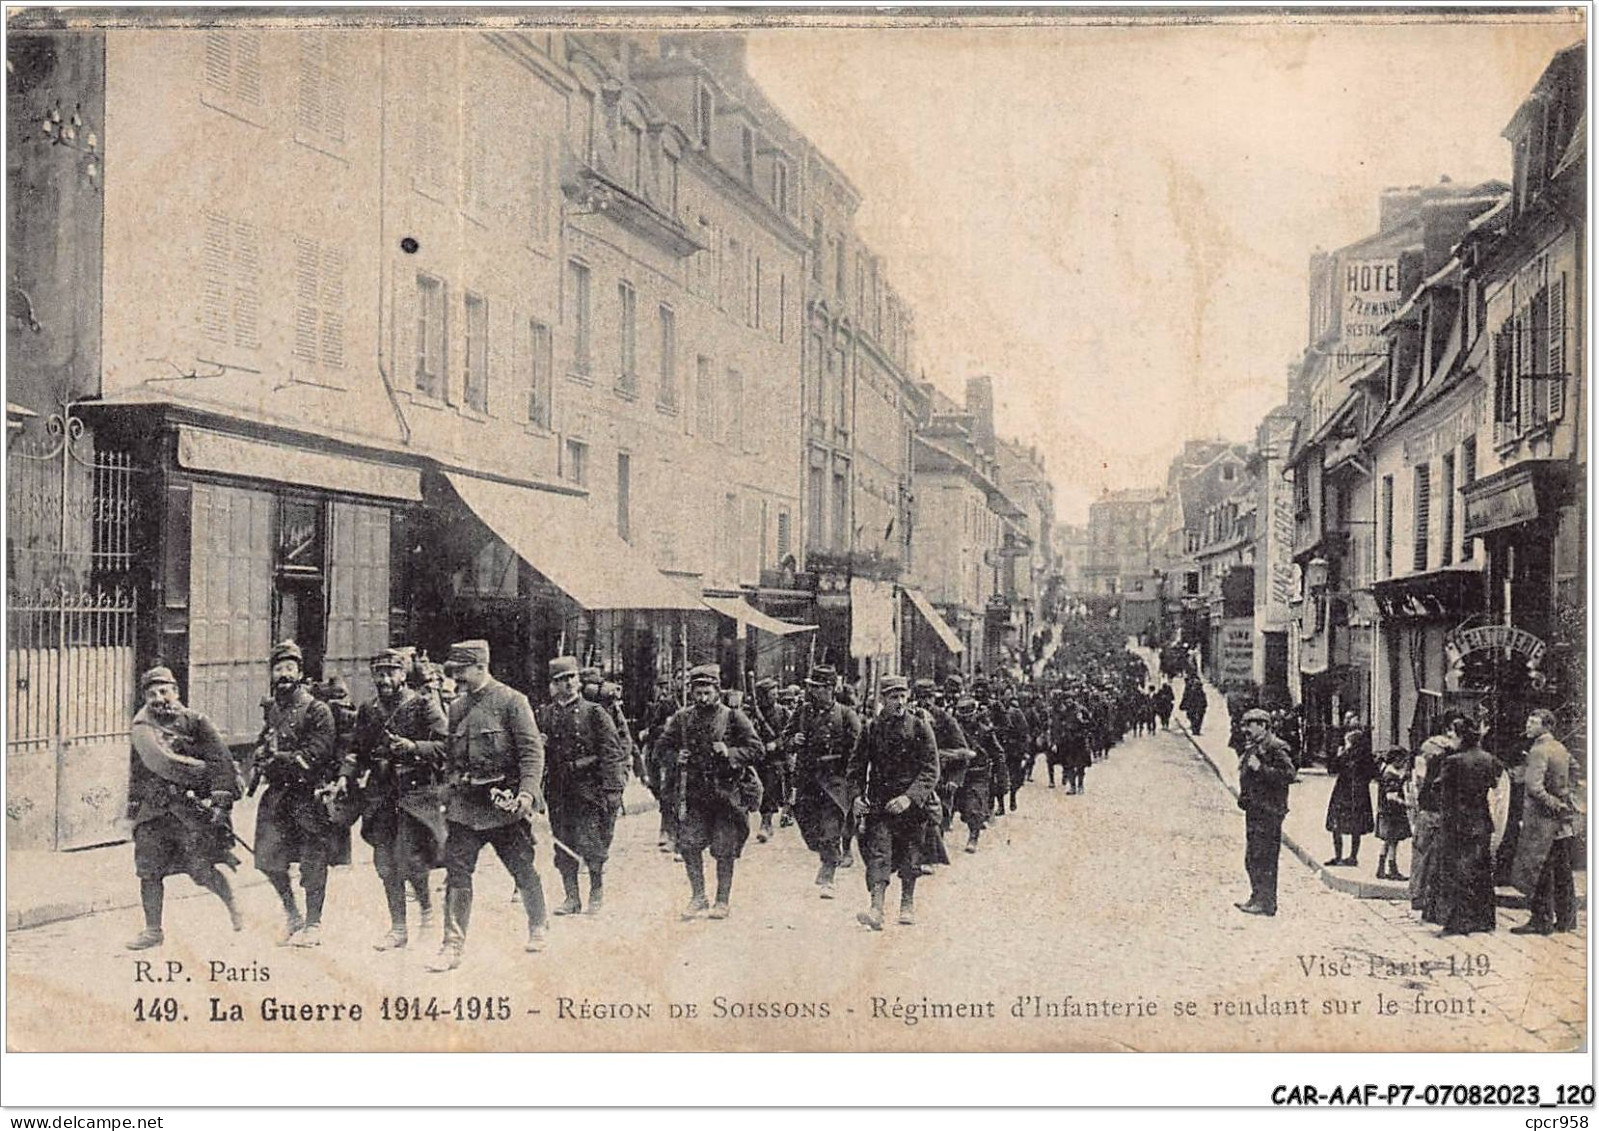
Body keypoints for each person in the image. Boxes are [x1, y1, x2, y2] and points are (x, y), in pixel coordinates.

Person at [428, 639, 549, 972]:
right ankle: (452, 945)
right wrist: (450, 789)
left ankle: (538, 924)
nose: (457, 679)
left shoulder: (512, 701)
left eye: (462, 672)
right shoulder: (456, 707)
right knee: (457, 873)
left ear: (481, 667)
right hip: (466, 807)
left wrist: (525, 795)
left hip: (503, 806)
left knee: (522, 867)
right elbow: (452, 756)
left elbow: (531, 753)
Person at [124, 667, 243, 949]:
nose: (159, 698)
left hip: (189, 811)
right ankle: (153, 930)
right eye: (152, 694)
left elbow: (220, 763)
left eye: (164, 691)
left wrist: (219, 803)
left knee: (200, 870)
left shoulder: (197, 722)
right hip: (155, 809)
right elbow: (137, 767)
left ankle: (232, 904)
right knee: (148, 870)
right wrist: (136, 798)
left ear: (176, 692)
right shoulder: (142, 728)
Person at [339, 648, 449, 952]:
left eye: (392, 672)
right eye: (380, 672)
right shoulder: (368, 710)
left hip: (415, 794)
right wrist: (344, 776)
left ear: (404, 674)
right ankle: (398, 926)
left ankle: (427, 912)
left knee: (411, 859)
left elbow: (446, 744)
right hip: (380, 794)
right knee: (384, 863)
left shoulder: (422, 705)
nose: (385, 679)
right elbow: (356, 750)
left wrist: (413, 746)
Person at [252, 640, 343, 948]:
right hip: (278, 795)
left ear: (301, 673)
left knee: (312, 862)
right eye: (278, 669)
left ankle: (314, 924)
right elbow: (266, 740)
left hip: (308, 795)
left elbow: (317, 752)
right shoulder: (274, 708)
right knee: (267, 858)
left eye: (290, 668)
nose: (283, 675)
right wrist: (261, 755)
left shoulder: (317, 710)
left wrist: (281, 759)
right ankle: (293, 915)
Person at [658, 665, 764, 920]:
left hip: (726, 795)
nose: (703, 698)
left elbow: (757, 749)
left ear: (717, 691)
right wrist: (675, 756)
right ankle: (698, 896)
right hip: (694, 795)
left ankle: (722, 900)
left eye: (707, 692)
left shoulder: (733, 717)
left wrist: (730, 752)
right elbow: (660, 748)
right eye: (698, 693)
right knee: (689, 845)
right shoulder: (682, 718)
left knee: (724, 848)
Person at [538, 655, 627, 917]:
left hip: (589, 788)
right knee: (563, 843)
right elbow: (534, 752)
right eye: (561, 680)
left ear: (578, 680)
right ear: (553, 685)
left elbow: (612, 752)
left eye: (571, 678)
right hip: (558, 789)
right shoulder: (545, 714)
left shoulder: (595, 712)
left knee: (591, 842)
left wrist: (613, 789)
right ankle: (571, 897)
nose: (568, 684)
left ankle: (596, 892)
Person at [848, 676, 940, 930]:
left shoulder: (920, 728)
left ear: (908, 697)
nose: (899, 702)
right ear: (882, 699)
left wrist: (909, 798)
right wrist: (856, 797)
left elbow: (931, 769)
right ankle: (876, 909)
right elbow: (855, 768)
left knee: (911, 856)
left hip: (912, 808)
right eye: (892, 697)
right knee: (879, 854)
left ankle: (907, 903)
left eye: (902, 696)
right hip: (880, 805)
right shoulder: (871, 729)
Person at [780, 666, 861, 899]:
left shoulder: (846, 714)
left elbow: (858, 749)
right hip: (807, 780)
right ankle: (826, 855)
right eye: (811, 687)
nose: (812, 691)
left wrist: (852, 779)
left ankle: (828, 872)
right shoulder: (803, 712)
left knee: (830, 830)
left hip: (834, 782)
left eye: (817, 687)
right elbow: (784, 738)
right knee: (809, 829)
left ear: (829, 689)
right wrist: (792, 740)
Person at [1431, 715, 1503, 937]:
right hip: (1481, 821)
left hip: (1457, 824)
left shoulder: (1453, 761)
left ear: (1461, 735)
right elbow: (1494, 783)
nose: (1449, 736)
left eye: (1452, 732)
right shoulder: (1489, 759)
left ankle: (1458, 921)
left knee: (1456, 872)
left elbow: (1439, 791)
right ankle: (1484, 919)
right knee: (1481, 871)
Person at [1510, 709, 1577, 935]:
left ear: (1546, 726)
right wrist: (1564, 797)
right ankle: (1567, 918)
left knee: (1538, 869)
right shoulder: (1560, 747)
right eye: (1528, 720)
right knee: (1562, 870)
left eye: (1533, 721)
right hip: (1561, 823)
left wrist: (1554, 802)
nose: (1527, 725)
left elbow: (1534, 787)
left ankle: (1541, 920)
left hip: (1541, 820)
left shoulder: (1538, 750)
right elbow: (1576, 771)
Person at [1234, 708, 1297, 917]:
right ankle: (1256, 896)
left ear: (1262, 725)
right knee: (1252, 857)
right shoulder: (1255, 746)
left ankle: (1266, 902)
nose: (1247, 730)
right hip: (1255, 809)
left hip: (1269, 810)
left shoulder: (1276, 747)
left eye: (1250, 725)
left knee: (1265, 857)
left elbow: (1288, 774)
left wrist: (1260, 768)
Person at [637, 674, 681, 853]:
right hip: (670, 754)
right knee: (667, 791)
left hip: (692, 755)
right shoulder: (667, 705)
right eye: (679, 679)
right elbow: (653, 729)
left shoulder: (696, 702)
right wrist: (669, 726)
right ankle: (667, 829)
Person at [1324, 724, 1375, 867]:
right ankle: (1352, 857)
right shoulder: (1366, 756)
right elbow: (1372, 773)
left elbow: (1332, 769)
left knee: (1337, 825)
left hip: (1343, 792)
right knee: (1356, 827)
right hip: (1360, 794)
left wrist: (1339, 755)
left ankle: (1339, 856)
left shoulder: (1347, 755)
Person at [1373, 748, 1412, 881]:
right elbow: (1391, 796)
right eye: (1403, 761)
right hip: (1392, 813)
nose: (1404, 764)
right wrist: (1407, 804)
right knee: (1392, 841)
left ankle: (1381, 868)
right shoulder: (1391, 775)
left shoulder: (1386, 771)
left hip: (1386, 812)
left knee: (1388, 841)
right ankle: (1392, 869)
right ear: (1396, 759)